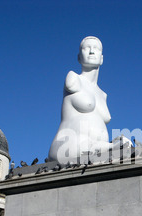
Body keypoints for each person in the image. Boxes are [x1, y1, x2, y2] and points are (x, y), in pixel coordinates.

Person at [48, 36, 130, 164]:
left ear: (102, 58)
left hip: (94, 152)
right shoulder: (73, 78)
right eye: (87, 48)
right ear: (79, 57)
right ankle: (109, 147)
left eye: (96, 49)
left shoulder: (103, 95)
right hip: (69, 147)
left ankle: (109, 147)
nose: (92, 51)